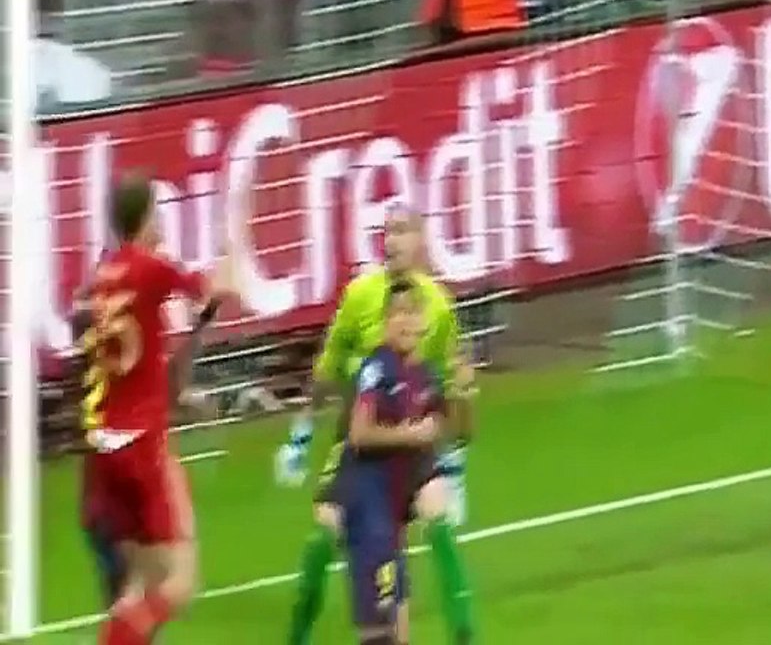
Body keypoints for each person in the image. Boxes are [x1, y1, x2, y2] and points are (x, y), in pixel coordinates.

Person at [281, 207, 476, 645]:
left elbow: (446, 387)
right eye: (387, 232)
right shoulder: (360, 297)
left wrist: (454, 462)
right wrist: (301, 433)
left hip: (411, 450)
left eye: (402, 231)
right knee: (336, 539)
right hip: (362, 446)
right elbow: (328, 369)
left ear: (421, 239)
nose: (391, 241)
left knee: (430, 524)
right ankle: (303, 630)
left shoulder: (439, 307)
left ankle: (460, 628)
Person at [84, 173, 245, 644]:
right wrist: (232, 255)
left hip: (106, 444)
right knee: (178, 583)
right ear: (146, 216)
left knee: (137, 584)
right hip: (141, 444)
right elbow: (212, 288)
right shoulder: (150, 267)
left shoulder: (105, 274)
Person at [339, 278, 477, 644]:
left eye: (411, 313)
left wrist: (463, 393)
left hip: (398, 498)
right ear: (386, 323)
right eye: (397, 314)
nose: (404, 321)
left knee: (398, 623)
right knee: (381, 628)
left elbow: (459, 433)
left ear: (422, 321)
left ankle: (463, 625)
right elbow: (359, 434)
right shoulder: (376, 368)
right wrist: (410, 434)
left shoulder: (426, 374)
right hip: (369, 504)